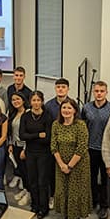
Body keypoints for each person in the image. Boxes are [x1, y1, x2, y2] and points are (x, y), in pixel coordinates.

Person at [51, 98, 91, 219]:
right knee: (63, 190)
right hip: (60, 164)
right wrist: (62, 164)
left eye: (69, 108)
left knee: (75, 191)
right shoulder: (56, 124)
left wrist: (69, 166)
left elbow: (81, 147)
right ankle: (67, 218)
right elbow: (53, 146)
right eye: (64, 108)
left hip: (78, 165)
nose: (66, 111)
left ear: (75, 110)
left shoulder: (80, 125)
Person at [81, 81, 110, 219]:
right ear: (93, 92)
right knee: (91, 177)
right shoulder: (86, 107)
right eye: (96, 91)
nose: (99, 93)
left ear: (106, 92)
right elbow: (82, 127)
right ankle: (93, 201)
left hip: (106, 150)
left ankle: (104, 205)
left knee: (106, 179)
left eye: (102, 91)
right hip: (89, 149)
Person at [20, 91, 53, 219]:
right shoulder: (25, 116)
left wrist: (31, 137)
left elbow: (48, 138)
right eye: (34, 100)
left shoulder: (47, 116)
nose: (36, 103)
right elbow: (22, 135)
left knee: (42, 182)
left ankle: (43, 208)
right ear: (30, 102)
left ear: (42, 101)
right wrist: (38, 135)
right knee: (32, 181)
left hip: (44, 154)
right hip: (30, 153)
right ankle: (35, 205)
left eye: (38, 100)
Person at [44, 77, 74, 210]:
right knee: (51, 173)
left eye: (63, 87)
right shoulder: (48, 105)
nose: (60, 89)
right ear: (55, 89)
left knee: (67, 174)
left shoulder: (73, 104)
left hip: (69, 146)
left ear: (68, 89)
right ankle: (53, 197)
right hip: (53, 145)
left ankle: (67, 199)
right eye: (58, 87)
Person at [8, 92, 30, 205]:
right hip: (15, 146)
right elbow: (11, 132)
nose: (15, 101)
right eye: (13, 100)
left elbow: (29, 132)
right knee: (22, 171)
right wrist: (11, 144)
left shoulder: (28, 113)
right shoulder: (13, 113)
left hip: (25, 147)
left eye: (18, 99)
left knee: (28, 172)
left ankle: (29, 194)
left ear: (23, 100)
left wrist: (25, 149)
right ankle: (25, 190)